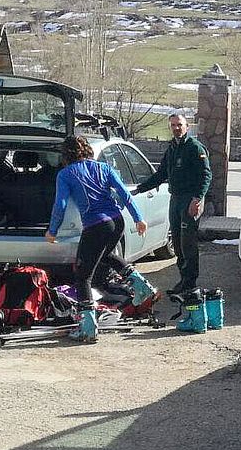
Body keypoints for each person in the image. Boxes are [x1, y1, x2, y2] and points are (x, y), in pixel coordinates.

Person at [45, 136, 160, 343]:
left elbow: (60, 205)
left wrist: (52, 230)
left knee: (82, 276)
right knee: (105, 255)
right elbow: (125, 194)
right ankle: (143, 288)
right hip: (117, 221)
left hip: (95, 225)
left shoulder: (65, 174)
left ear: (66, 155)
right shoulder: (104, 168)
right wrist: (138, 219)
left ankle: (88, 328)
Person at [132, 112, 211, 295]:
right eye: (173, 125)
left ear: (187, 127)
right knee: (176, 241)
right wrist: (141, 189)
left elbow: (206, 176)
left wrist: (197, 199)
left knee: (187, 243)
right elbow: (161, 174)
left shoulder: (194, 147)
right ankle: (183, 278)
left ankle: (190, 282)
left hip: (190, 199)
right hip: (175, 199)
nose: (176, 128)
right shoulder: (172, 148)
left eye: (179, 125)